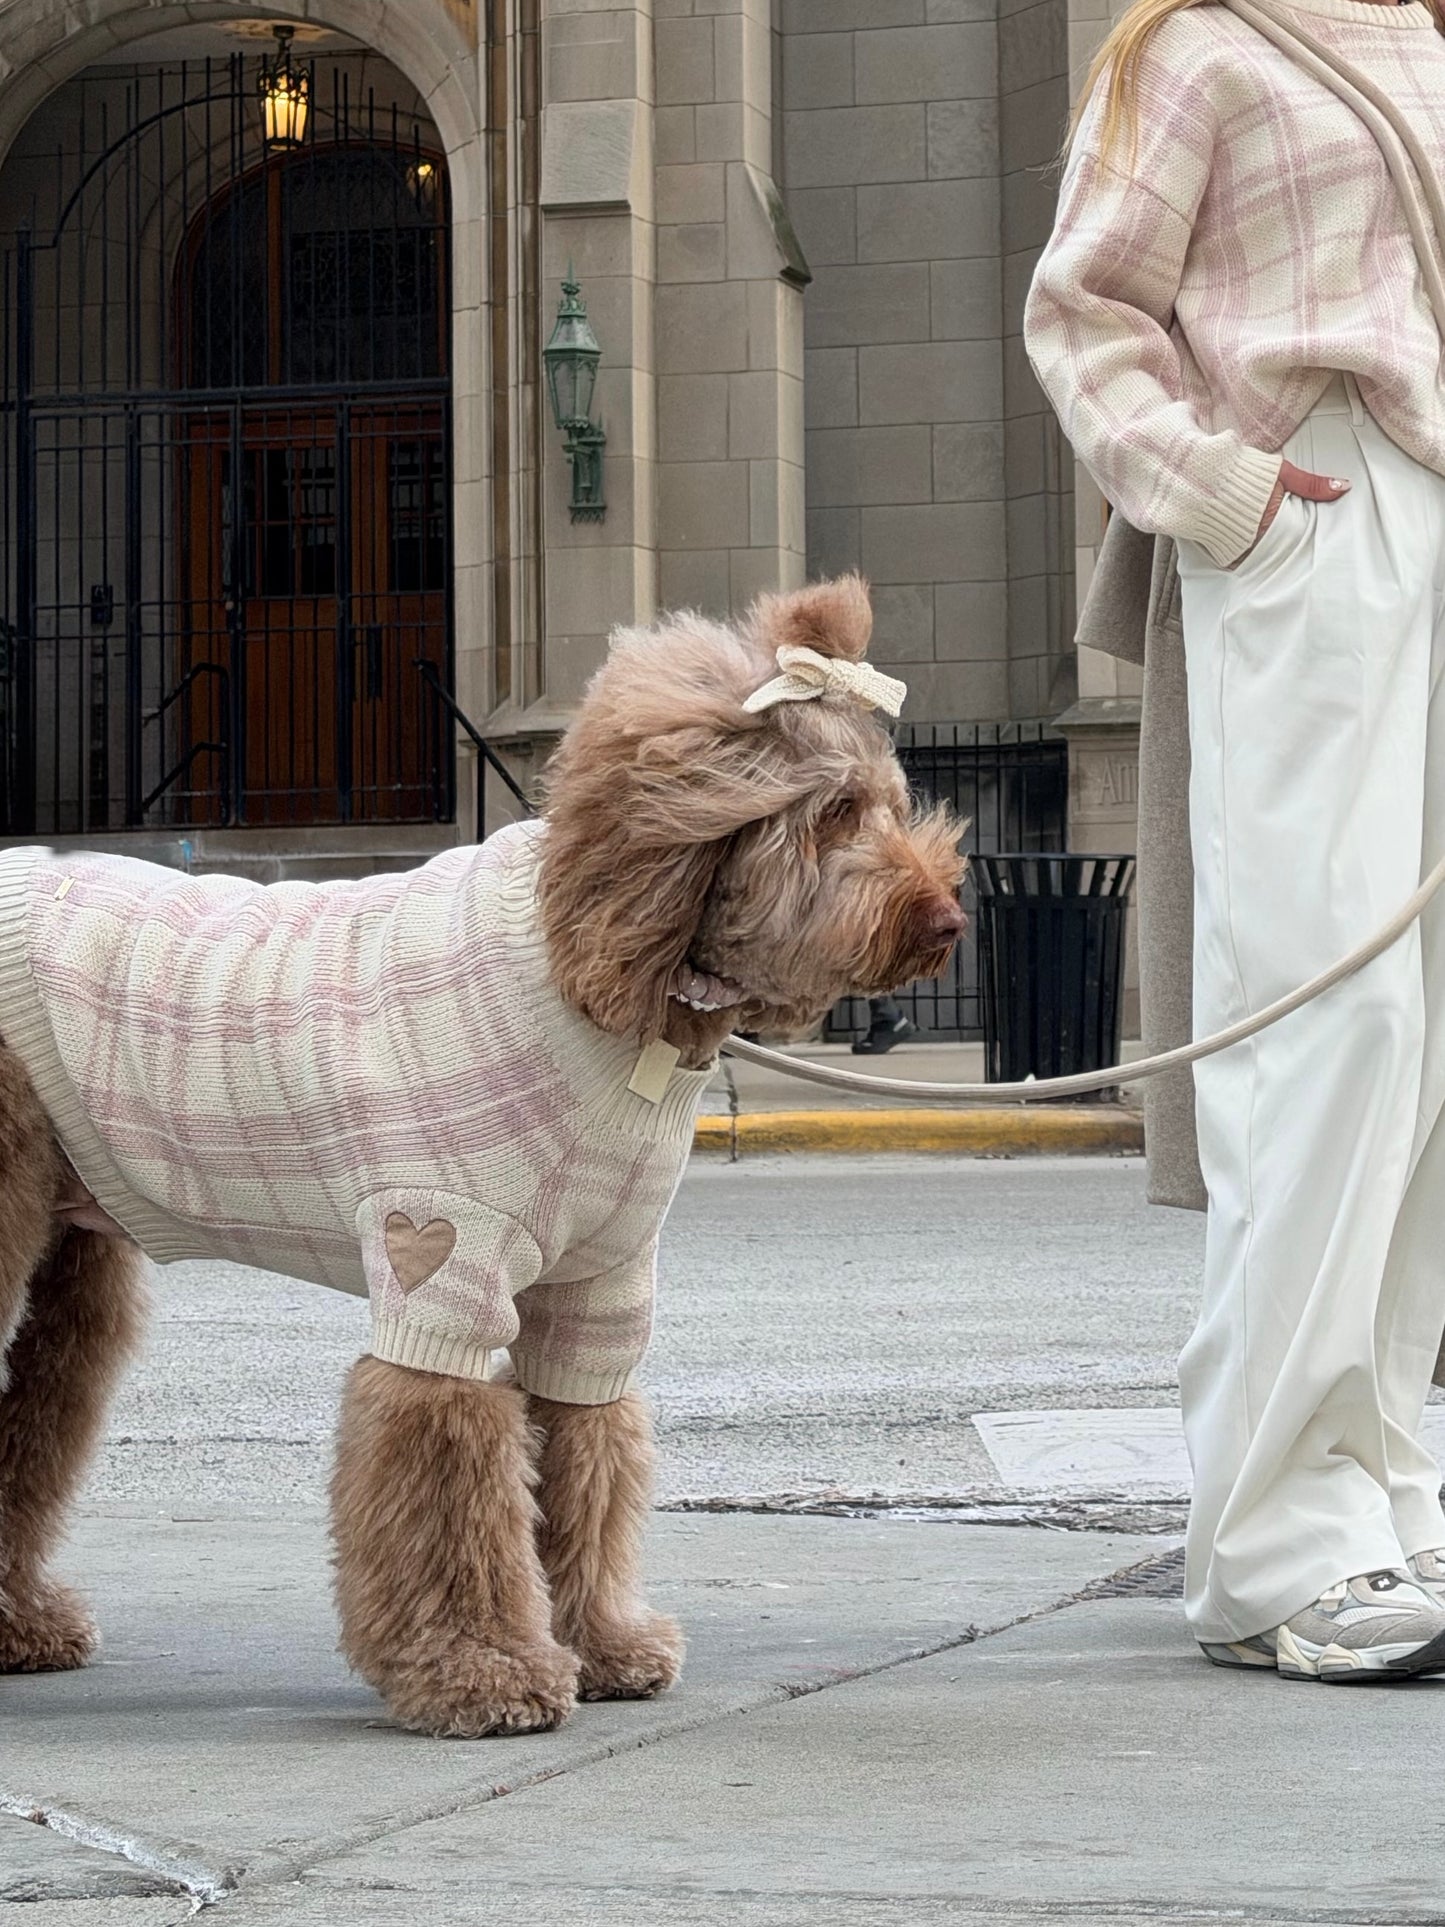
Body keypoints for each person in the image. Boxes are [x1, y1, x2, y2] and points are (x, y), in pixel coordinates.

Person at [1025, 0, 1445, 1680]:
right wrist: (1220, 494)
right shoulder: (1198, 45)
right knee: (1324, 1021)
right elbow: (1082, 308)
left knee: (1420, 1047)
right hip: (1312, 504)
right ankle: (1275, 1546)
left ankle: (1384, 1502)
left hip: (1426, 495)